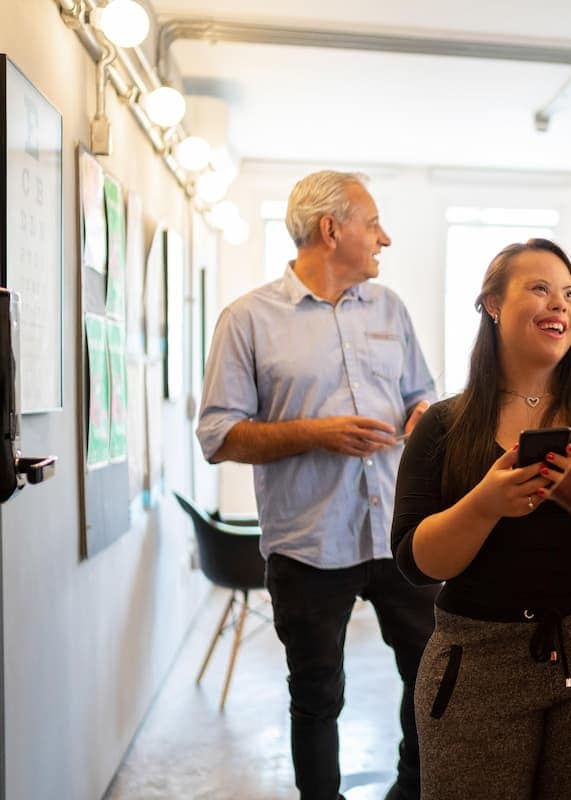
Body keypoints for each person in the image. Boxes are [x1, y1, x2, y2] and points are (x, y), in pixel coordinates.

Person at [196, 170, 438, 800]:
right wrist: (316, 432)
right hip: (308, 544)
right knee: (316, 696)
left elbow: (422, 395)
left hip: (397, 534)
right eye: (373, 222)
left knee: (433, 675)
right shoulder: (247, 319)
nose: (385, 237)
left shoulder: (391, 309)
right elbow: (218, 436)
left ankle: (409, 792)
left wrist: (420, 417)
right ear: (331, 230)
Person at [391, 238, 571, 800]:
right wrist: (484, 504)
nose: (561, 306)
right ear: (493, 304)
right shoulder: (444, 426)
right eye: (541, 289)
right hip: (478, 665)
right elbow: (416, 563)